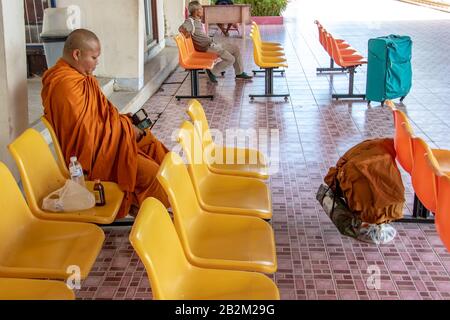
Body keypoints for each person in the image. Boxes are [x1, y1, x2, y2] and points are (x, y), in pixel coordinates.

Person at [41, 28, 170, 219]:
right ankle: (151, 218)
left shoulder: (80, 78)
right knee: (154, 175)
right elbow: (87, 135)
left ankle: (140, 207)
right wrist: (126, 130)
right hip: (95, 157)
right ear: (77, 54)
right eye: (94, 57)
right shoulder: (64, 85)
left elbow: (100, 116)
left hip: (107, 143)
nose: (97, 62)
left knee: (153, 147)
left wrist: (123, 123)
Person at [179, 1, 252, 83]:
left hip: (212, 44)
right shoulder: (190, 21)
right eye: (201, 9)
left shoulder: (197, 20)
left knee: (235, 49)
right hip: (207, 48)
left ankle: (239, 73)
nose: (202, 10)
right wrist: (187, 34)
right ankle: (212, 71)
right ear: (196, 11)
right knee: (231, 59)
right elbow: (181, 28)